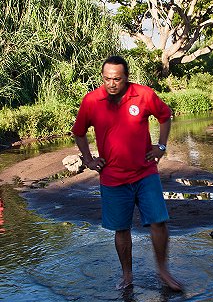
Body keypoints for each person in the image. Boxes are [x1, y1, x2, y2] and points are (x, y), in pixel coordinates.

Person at [72, 55, 182, 292]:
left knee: (159, 222)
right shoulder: (91, 100)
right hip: (112, 177)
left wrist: (161, 147)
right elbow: (79, 132)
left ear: (126, 78)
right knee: (121, 228)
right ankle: (127, 275)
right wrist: (89, 160)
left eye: (117, 79)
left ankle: (163, 270)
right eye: (107, 79)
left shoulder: (143, 94)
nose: (111, 83)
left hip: (145, 173)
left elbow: (165, 115)